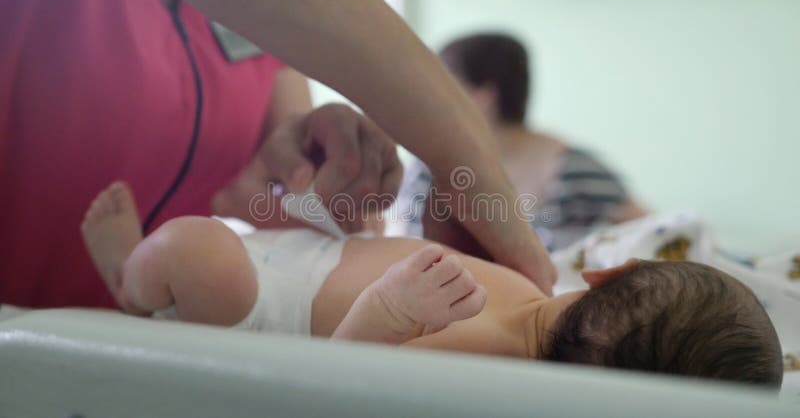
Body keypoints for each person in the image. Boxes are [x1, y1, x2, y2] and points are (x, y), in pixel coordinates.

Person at [0, 0, 554, 310]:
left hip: (148, 340)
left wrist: (306, 175)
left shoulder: (266, 29)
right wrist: (469, 157)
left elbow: (275, 203)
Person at [81, 182, 783, 387]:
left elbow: (336, 386)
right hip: (312, 255)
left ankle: (128, 284)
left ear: (612, 271)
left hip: (262, 314)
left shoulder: (492, 363)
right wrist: (366, 235)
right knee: (270, 209)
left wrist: (386, 309)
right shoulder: (528, 289)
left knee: (196, 249)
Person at [436, 33, 649, 250]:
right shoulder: (430, 170)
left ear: (485, 96)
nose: (434, 99)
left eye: (445, 86)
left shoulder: (574, 169)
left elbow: (655, 234)